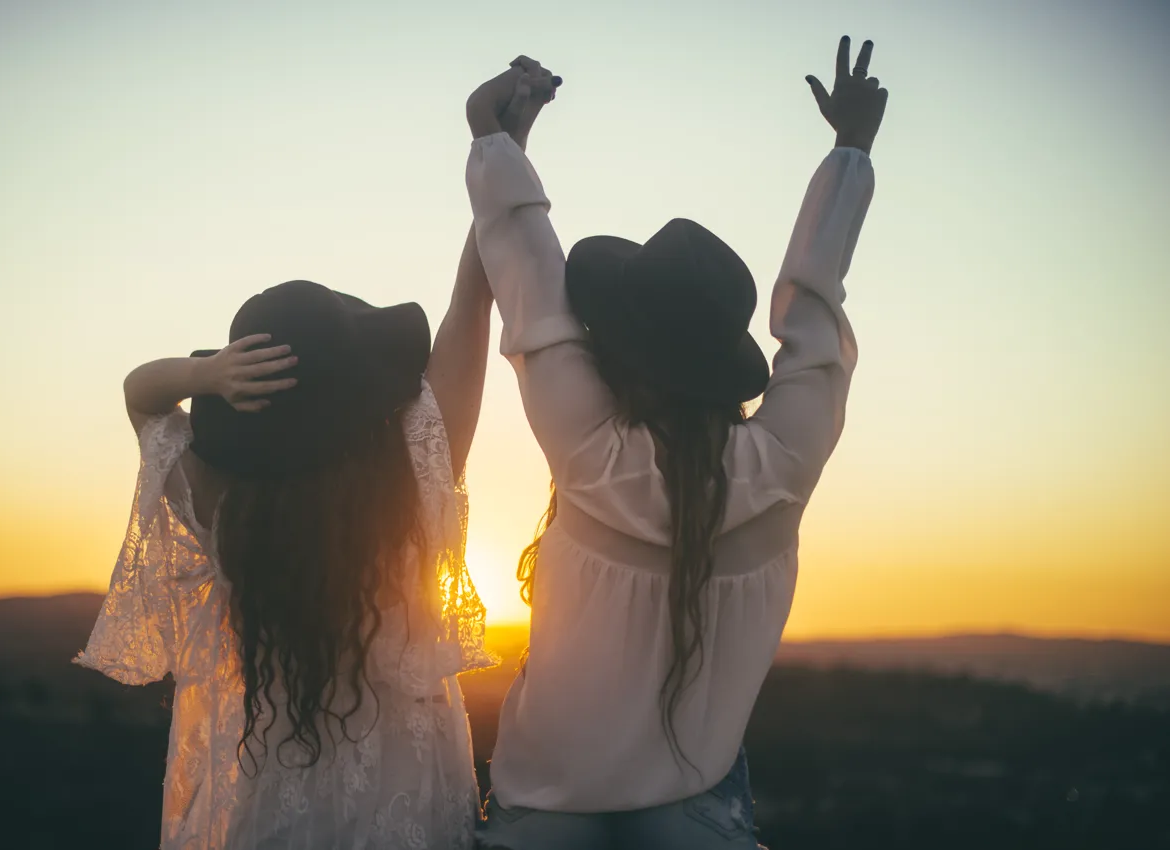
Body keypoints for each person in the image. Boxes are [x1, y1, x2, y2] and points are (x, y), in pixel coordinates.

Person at [74, 67, 556, 850]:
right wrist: (498, 146)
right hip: (409, 799)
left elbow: (141, 397)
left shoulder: (222, 501)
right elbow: (474, 302)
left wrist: (205, 374)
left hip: (268, 802)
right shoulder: (416, 474)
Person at [466, 39, 888, 850]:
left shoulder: (589, 452)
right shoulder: (783, 467)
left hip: (542, 815)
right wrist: (850, 155)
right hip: (696, 815)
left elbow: (533, 294)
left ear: (616, 349)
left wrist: (496, 138)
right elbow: (814, 312)